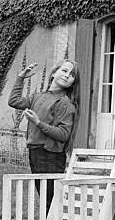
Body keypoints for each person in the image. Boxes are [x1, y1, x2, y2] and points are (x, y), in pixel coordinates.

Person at [8, 59, 80, 210]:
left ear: (73, 82)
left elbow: (63, 134)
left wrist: (38, 122)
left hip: (50, 155)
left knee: (51, 201)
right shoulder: (38, 96)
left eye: (72, 74)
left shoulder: (65, 103)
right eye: (64, 70)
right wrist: (21, 78)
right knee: (45, 198)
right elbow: (14, 101)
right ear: (54, 73)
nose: (67, 75)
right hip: (35, 151)